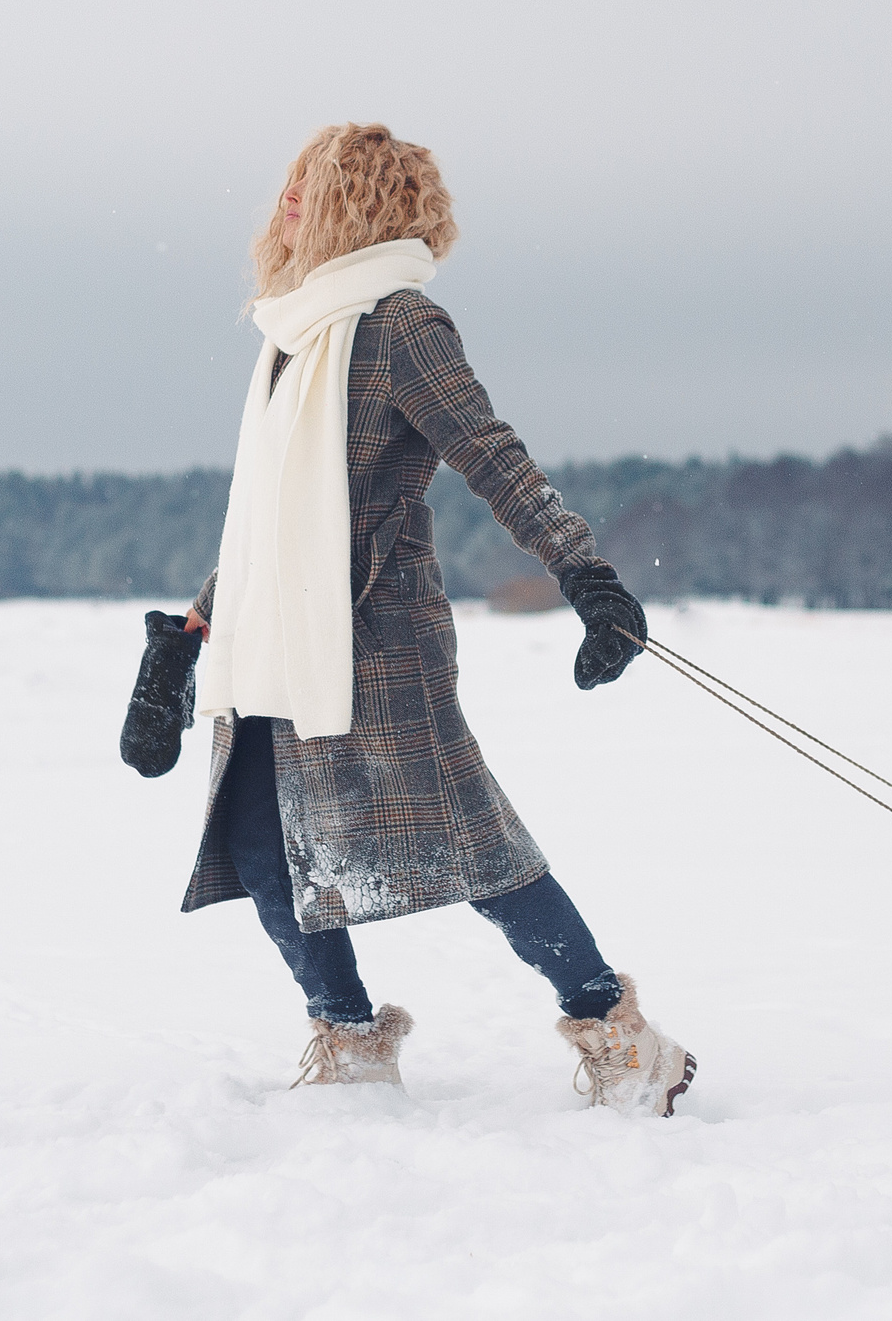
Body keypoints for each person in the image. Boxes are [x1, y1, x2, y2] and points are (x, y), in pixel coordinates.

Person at [168, 122, 693, 1117]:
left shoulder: (399, 324)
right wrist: (189, 632)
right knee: (262, 842)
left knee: (469, 844)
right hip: (276, 639)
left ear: (359, 203)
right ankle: (350, 1041)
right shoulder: (291, 335)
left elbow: (494, 457)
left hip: (376, 639)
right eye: (288, 181)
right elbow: (264, 520)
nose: (287, 199)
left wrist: (587, 575)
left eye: (315, 184)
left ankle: (620, 1036)